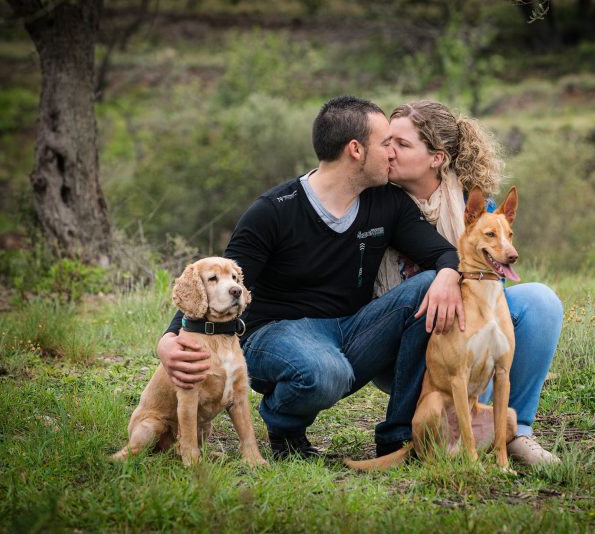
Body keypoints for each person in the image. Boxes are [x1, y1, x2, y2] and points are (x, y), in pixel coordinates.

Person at [156, 96, 465, 459]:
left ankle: (396, 439)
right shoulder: (273, 211)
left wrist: (447, 273)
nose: (391, 154)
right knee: (324, 372)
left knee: (429, 284)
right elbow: (221, 279)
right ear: (355, 150)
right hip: (272, 334)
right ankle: (284, 429)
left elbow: (442, 253)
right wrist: (167, 340)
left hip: (350, 329)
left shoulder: (387, 203)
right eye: (385, 144)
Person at [375, 100, 563, 465]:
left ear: (437, 158)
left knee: (541, 301)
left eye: (401, 143)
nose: (389, 151)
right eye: (386, 141)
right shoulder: (373, 202)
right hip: (400, 350)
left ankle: (516, 432)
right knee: (426, 289)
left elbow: (489, 298)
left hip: (463, 336)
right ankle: (417, 429)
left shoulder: (474, 206)